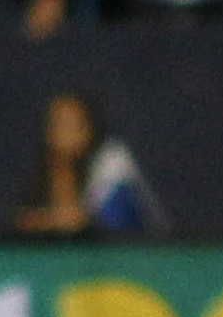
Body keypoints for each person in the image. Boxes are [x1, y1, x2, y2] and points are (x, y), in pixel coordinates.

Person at [13, 91, 159, 235]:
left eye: (70, 123)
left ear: (89, 128)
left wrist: (47, 221)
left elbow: (82, 222)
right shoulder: (49, 167)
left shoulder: (113, 160)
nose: (61, 132)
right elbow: (25, 220)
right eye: (55, 123)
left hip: (141, 251)